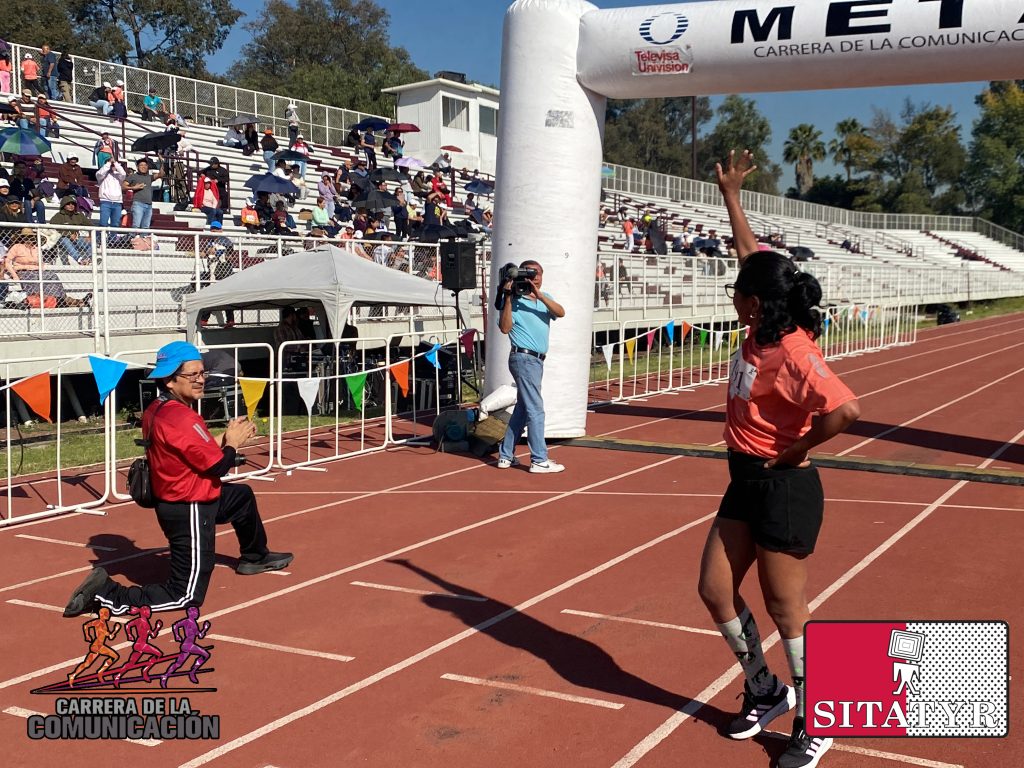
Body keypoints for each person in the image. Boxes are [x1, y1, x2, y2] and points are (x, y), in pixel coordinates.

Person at [697, 150, 860, 768]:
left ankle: (816, 719)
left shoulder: (794, 352)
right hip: (743, 479)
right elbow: (752, 260)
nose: (735, 299)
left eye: (740, 296)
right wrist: (732, 197)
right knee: (715, 589)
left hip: (783, 485)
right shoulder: (760, 323)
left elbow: (845, 410)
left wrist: (796, 449)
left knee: (786, 608)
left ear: (756, 306)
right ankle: (766, 689)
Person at [62, 342, 293, 619]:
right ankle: (106, 594)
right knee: (186, 595)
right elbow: (217, 465)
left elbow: (194, 450)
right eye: (192, 375)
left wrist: (230, 439)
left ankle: (255, 557)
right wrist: (232, 443)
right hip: (189, 505)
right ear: (170, 380)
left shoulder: (160, 408)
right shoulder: (179, 416)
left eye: (202, 373)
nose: (201, 380)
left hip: (189, 496)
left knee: (240, 497)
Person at [495, 261, 566, 473]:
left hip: (536, 361)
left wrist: (540, 295)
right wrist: (508, 298)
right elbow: (505, 328)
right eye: (529, 274)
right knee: (536, 410)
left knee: (523, 409)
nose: (534, 279)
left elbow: (561, 312)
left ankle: (505, 455)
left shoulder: (546, 298)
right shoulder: (514, 300)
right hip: (523, 358)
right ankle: (539, 459)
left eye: (537, 274)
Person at [49, 196, 93, 265]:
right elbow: (52, 229)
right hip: (62, 240)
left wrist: (90, 236)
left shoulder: (79, 215)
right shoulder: (58, 216)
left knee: (91, 242)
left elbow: (91, 225)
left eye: (73, 204)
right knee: (65, 240)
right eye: (68, 204)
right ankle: (80, 259)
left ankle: (90, 259)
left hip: (76, 239)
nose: (71, 206)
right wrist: (68, 235)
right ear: (63, 205)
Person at [124, 158, 162, 230]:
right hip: (138, 204)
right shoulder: (133, 176)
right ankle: (133, 240)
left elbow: (161, 174)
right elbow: (123, 186)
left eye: (145, 165)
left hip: (149, 205)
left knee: (146, 226)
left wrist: (162, 162)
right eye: (141, 165)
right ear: (137, 167)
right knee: (136, 225)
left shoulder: (149, 177)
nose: (143, 167)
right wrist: (134, 187)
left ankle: (143, 240)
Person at [96, 157, 126, 228]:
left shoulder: (119, 175)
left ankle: (113, 239)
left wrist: (115, 163)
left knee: (115, 224)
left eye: (113, 165)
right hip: (105, 201)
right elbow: (100, 173)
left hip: (117, 202)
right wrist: (109, 163)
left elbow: (123, 173)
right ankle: (101, 238)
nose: (111, 167)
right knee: (103, 223)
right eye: (110, 165)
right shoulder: (101, 175)